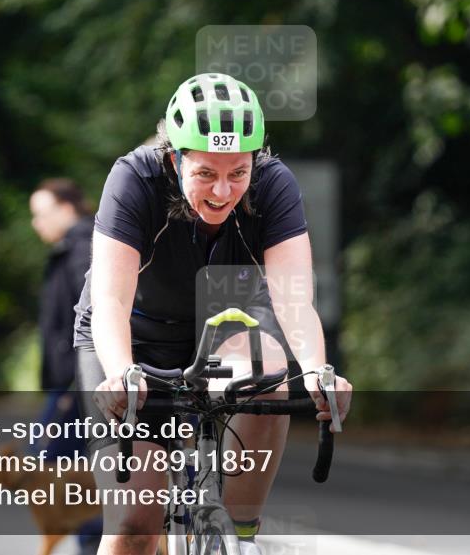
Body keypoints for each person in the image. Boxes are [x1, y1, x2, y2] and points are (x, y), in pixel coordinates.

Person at [74, 73, 353, 555]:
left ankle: (241, 537)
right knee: (135, 524)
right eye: (205, 173)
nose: (223, 191)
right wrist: (120, 372)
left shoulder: (274, 185)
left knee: (272, 383)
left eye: (237, 173)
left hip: (224, 328)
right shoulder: (134, 179)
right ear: (174, 157)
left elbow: (292, 299)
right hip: (130, 337)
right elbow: (111, 301)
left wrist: (315, 369)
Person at [29, 177, 102, 552]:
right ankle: (90, 537)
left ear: (66, 208)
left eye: (40, 214)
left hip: (76, 381)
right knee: (63, 461)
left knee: (49, 457)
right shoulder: (69, 248)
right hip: (69, 380)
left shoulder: (80, 250)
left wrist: (75, 384)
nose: (35, 223)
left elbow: (90, 322)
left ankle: (94, 538)